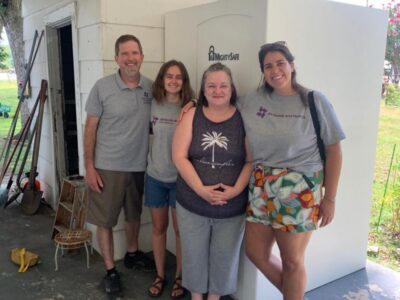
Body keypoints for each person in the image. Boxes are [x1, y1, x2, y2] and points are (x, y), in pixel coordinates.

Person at [240, 42, 345, 299]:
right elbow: (219, 102)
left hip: (299, 188)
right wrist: (193, 102)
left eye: (280, 63)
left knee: (292, 261)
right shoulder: (251, 101)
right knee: (255, 252)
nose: (275, 70)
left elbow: (334, 151)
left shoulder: (313, 100)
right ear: (262, 72)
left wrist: (329, 198)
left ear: (292, 66)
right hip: (261, 184)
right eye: (268, 66)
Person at [172, 62, 252, 300]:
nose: (218, 90)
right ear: (203, 90)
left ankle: (215, 298)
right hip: (192, 203)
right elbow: (179, 156)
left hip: (232, 207)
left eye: (223, 85)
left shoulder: (243, 118)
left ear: (232, 88)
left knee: (225, 257)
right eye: (212, 85)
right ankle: (197, 297)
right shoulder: (191, 115)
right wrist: (201, 190)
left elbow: (250, 161)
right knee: (194, 254)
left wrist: (236, 190)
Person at [84, 34, 155, 296]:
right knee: (105, 220)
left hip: (139, 166)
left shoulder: (150, 88)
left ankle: (133, 253)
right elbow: (90, 129)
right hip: (107, 167)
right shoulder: (102, 87)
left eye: (134, 53)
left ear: (142, 57)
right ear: (116, 58)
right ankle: (110, 270)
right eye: (124, 54)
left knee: (134, 215)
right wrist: (89, 167)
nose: (130, 58)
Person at [145, 60, 195, 299]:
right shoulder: (153, 103)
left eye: (179, 77)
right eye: (169, 76)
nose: (173, 81)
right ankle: (160, 275)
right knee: (158, 228)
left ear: (184, 82)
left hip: (181, 180)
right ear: (162, 79)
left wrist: (194, 101)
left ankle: (180, 277)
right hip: (155, 176)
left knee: (180, 230)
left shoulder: (190, 107)